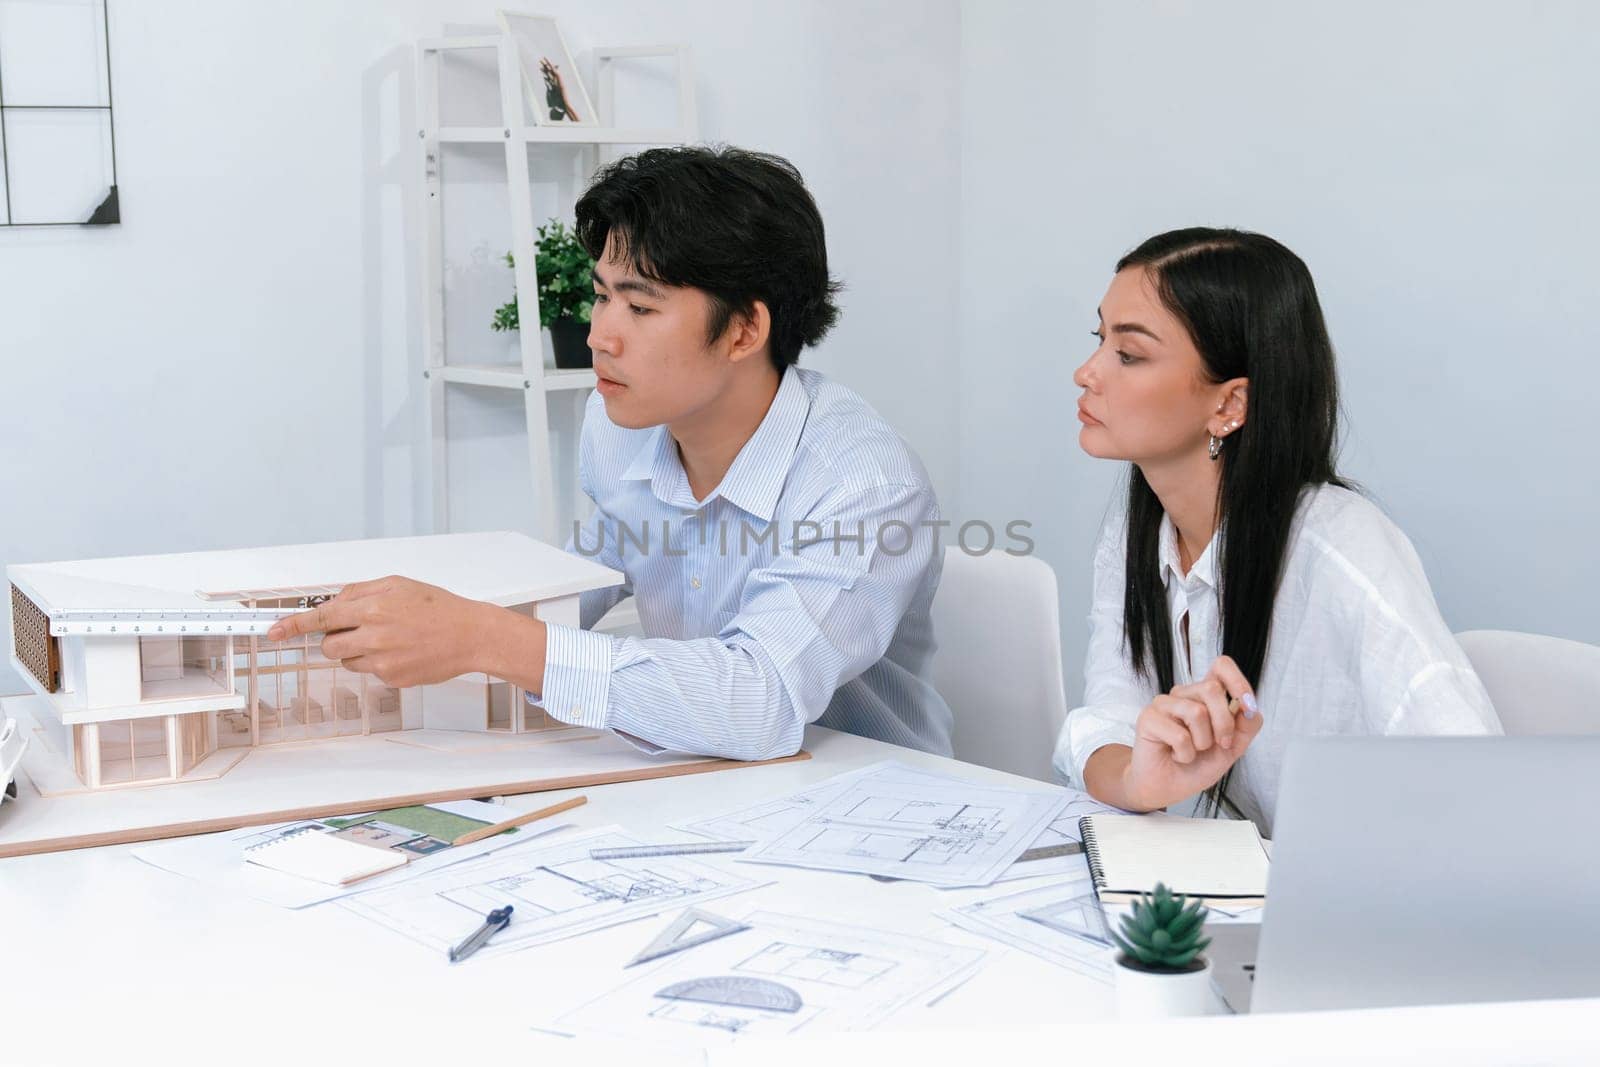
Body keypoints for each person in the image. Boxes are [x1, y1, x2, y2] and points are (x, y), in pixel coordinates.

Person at [270, 146, 952, 762]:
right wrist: (412, 622)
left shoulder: (864, 484)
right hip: (707, 779)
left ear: (744, 329)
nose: (599, 336)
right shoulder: (618, 422)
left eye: (640, 308)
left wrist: (486, 638)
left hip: (868, 800)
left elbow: (761, 697)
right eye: (600, 296)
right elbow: (592, 570)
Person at [1054, 227, 1500, 833]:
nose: (1087, 372)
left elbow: (1478, 778)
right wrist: (1138, 780)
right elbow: (1108, 721)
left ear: (1229, 404)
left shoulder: (1340, 548)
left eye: (1128, 354)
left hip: (1361, 902)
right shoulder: (1138, 532)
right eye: (1098, 338)